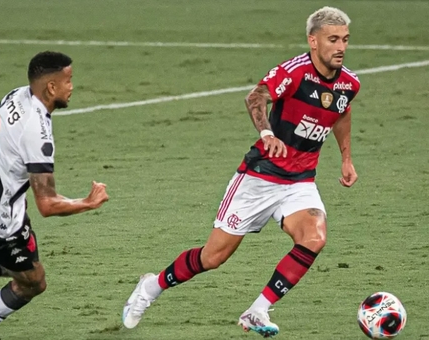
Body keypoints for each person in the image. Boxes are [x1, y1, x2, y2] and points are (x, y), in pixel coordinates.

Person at [122, 6, 360, 338]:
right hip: (259, 176)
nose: (341, 47)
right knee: (213, 257)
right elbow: (256, 97)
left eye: (345, 40)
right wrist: (267, 133)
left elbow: (342, 112)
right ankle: (151, 286)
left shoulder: (349, 83)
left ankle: (257, 310)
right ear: (313, 41)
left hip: (300, 181)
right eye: (333, 40)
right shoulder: (293, 73)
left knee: (314, 237)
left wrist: (346, 158)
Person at [0, 51, 109, 340]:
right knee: (33, 282)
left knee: (18, 265)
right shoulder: (38, 133)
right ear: (51, 87)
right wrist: (88, 202)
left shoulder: (16, 94)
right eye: (68, 80)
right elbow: (47, 204)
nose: (72, 87)